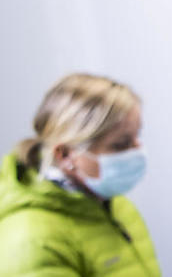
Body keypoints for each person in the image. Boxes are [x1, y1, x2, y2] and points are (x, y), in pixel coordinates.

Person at [0, 74, 160, 276]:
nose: (137, 150)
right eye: (121, 144)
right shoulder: (31, 241)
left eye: (137, 137)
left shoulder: (114, 205)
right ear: (66, 154)